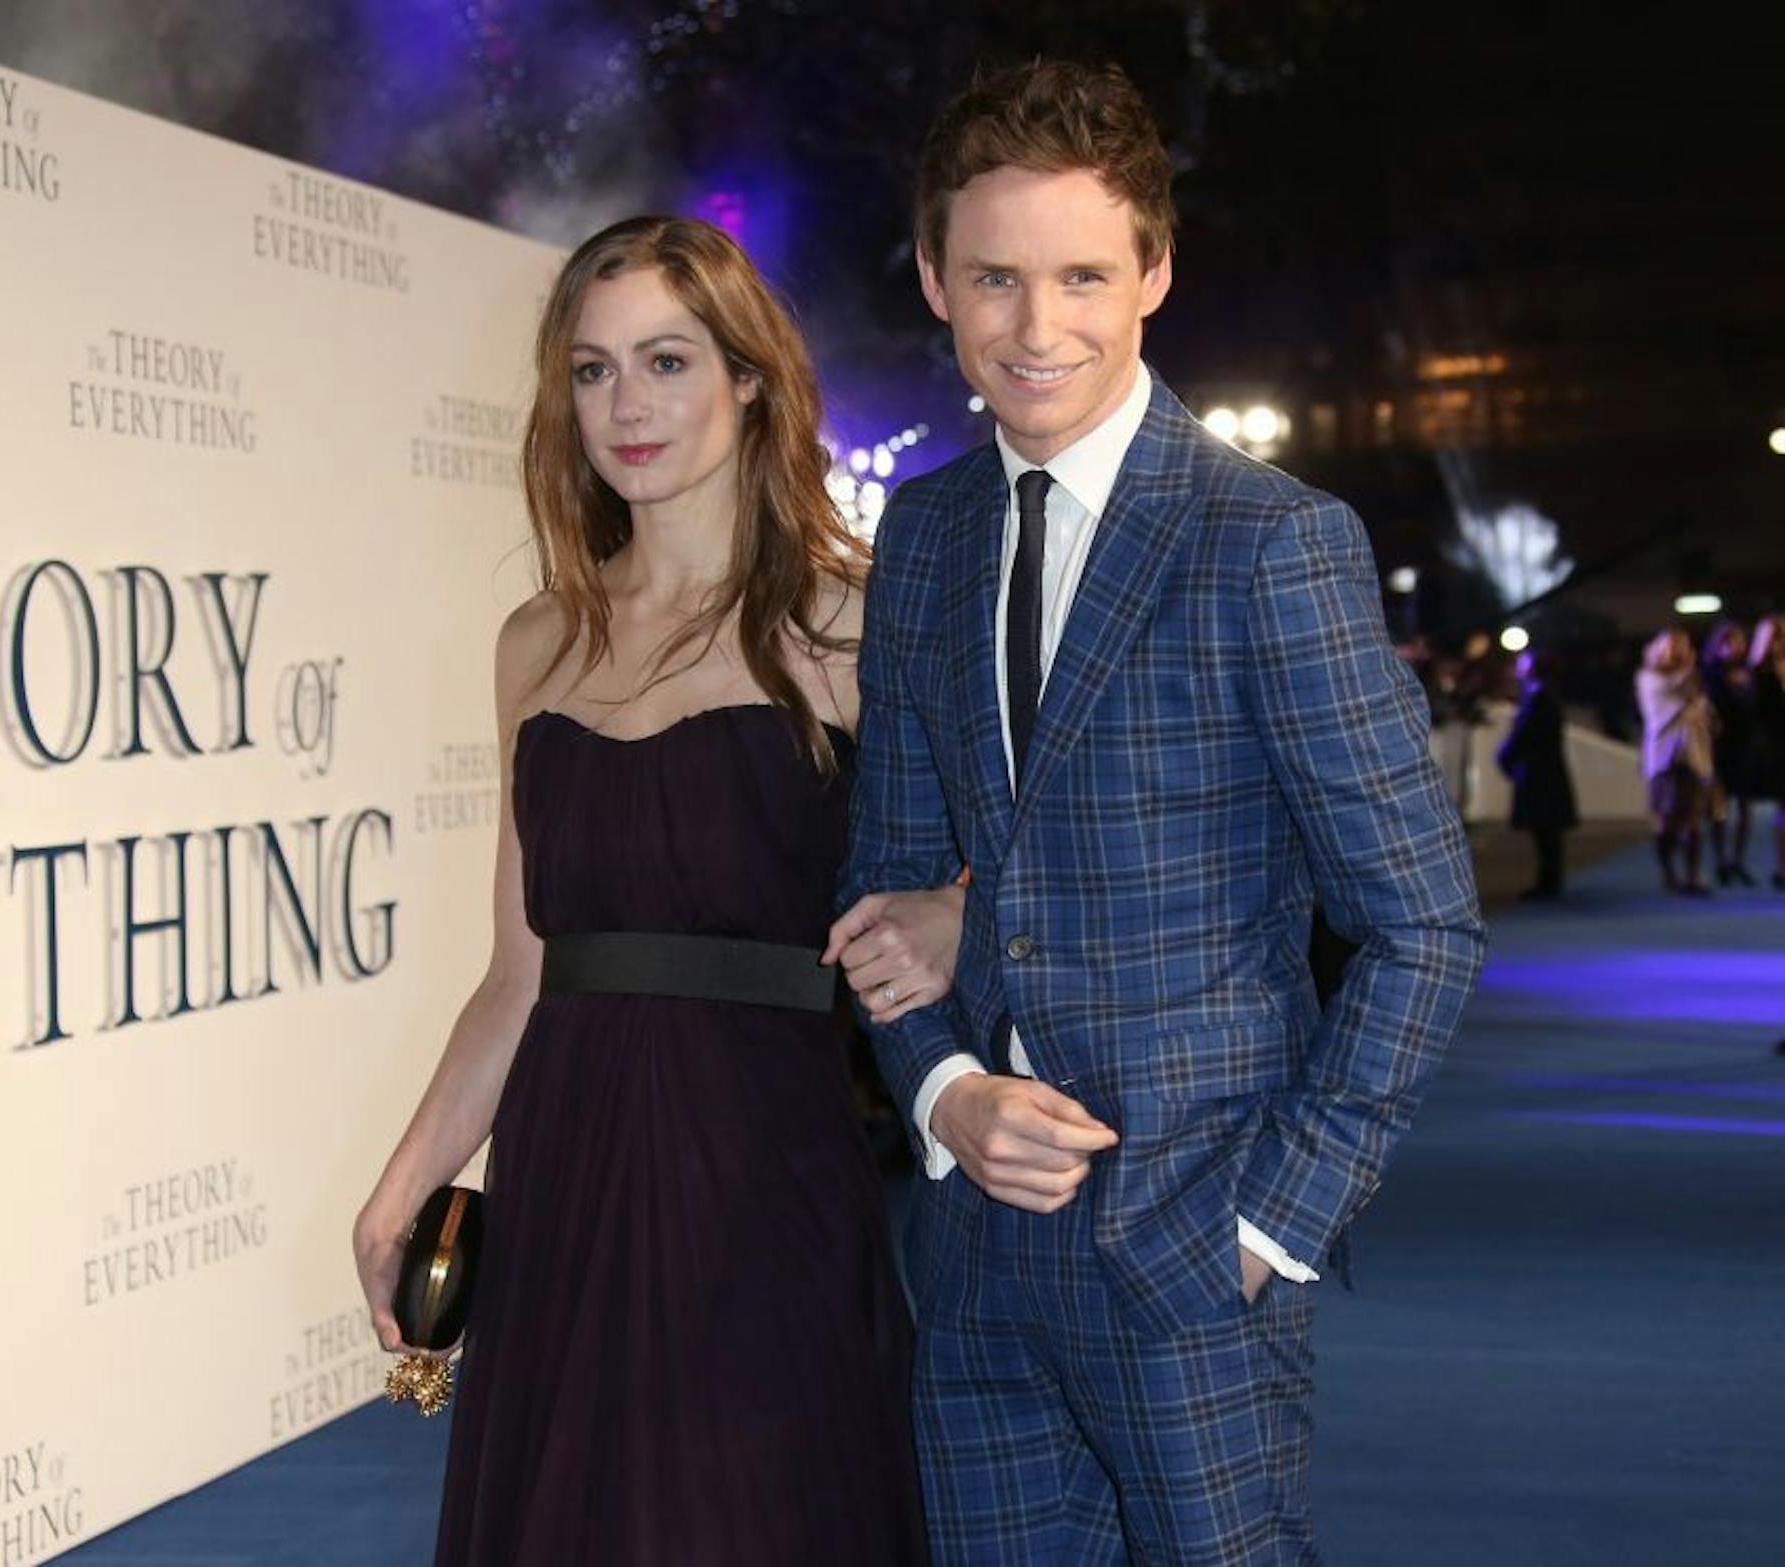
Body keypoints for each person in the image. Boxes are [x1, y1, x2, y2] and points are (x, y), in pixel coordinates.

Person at [831, 60, 1485, 1564]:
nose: (1034, 325)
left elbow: (1421, 923)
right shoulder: (922, 537)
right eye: (994, 276)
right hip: (976, 1258)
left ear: (1156, 273)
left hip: (1194, 1258)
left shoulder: (1272, 543)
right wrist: (943, 1099)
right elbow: (886, 883)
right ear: (936, 278)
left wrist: (1270, 1222)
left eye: (1080, 274)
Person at [352, 215, 949, 1565]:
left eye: (668, 361)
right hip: (566, 1178)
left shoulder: (852, 624)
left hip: (763, 1170)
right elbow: (518, 975)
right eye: (592, 369)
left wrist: (959, 907)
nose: (626, 406)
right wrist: (401, 1191)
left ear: (750, 378)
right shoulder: (538, 641)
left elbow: (993, 860)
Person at [1635, 627, 1717, 895]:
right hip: (1664, 758)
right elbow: (1669, 704)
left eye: (1682, 646)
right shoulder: (1649, 679)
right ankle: (1668, 870)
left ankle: (1693, 875)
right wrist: (1690, 676)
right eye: (1672, 647)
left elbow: (1704, 712)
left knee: (1693, 818)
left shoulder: (1693, 681)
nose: (1678, 653)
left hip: (1693, 757)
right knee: (1666, 817)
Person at [1496, 646, 1578, 898]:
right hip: (1543, 773)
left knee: (1546, 830)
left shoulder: (1539, 700)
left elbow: (1525, 735)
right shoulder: (1538, 698)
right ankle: (1549, 879)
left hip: (1540, 775)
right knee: (1546, 831)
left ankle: (1548, 881)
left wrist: (1505, 757)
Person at [1700, 622, 1758, 885]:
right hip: (1718, 748)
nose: (1735, 647)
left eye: (1739, 641)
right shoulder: (1710, 676)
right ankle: (1721, 860)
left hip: (1745, 747)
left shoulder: (1750, 675)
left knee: (1745, 808)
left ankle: (1738, 860)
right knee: (1718, 808)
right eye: (1729, 642)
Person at [1749, 614, 1785, 889]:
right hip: (1777, 746)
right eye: (1776, 637)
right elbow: (1759, 716)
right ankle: (1783, 868)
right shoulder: (1759, 675)